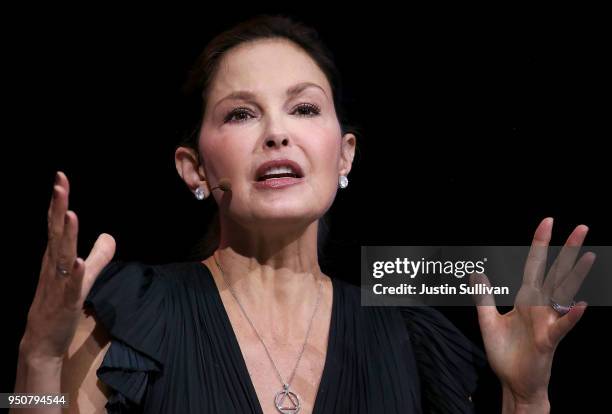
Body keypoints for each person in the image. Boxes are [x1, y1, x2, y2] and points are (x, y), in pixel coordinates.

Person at [13, 14, 590, 414]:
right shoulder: (132, 313)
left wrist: (525, 398)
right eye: (241, 115)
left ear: (344, 154)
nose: (277, 133)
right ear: (194, 169)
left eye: (304, 107)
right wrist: (35, 358)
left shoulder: (407, 334)